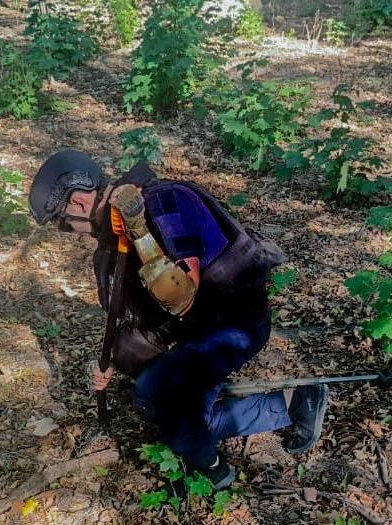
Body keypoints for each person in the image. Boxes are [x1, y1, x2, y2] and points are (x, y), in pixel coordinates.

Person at [28, 149, 329, 490]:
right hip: (196, 331)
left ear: (80, 202)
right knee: (162, 410)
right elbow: (135, 318)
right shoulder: (109, 247)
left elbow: (182, 296)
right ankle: (292, 403)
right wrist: (114, 360)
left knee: (157, 394)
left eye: (63, 223)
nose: (69, 232)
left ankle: (212, 469)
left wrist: (140, 231)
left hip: (235, 323)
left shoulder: (165, 202)